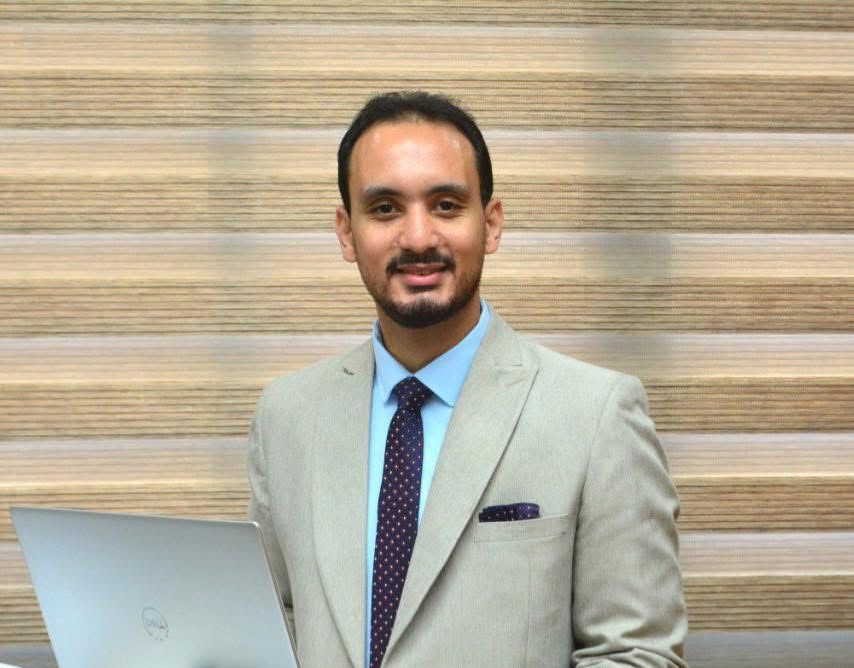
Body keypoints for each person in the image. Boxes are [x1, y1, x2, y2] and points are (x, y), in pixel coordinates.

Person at [247, 91, 688, 668]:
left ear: (492, 223)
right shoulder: (285, 416)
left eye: (447, 205)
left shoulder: (598, 413)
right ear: (346, 232)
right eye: (385, 208)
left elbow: (637, 653)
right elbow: (271, 629)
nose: (418, 238)